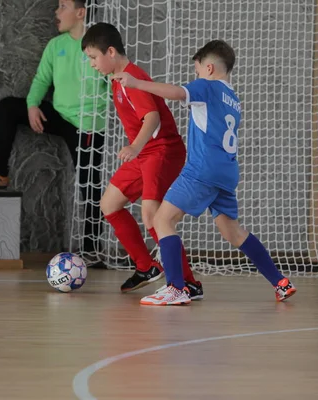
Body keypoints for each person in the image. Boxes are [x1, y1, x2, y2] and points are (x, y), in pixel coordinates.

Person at [113, 39, 296, 306]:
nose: (194, 77)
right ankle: (280, 282)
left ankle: (176, 288)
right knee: (232, 232)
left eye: (196, 71)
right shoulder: (233, 98)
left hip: (202, 170)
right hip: (227, 172)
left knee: (161, 220)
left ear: (208, 68)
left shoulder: (207, 87)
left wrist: (137, 83)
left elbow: (176, 93)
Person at [0, 0, 107, 255]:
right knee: (9, 106)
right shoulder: (56, 45)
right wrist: (32, 106)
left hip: (88, 126)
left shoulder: (100, 46)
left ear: (80, 12)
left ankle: (92, 250)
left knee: (90, 184)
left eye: (63, 6)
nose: (56, 12)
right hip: (60, 115)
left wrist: (95, 122)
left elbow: (113, 87)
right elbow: (42, 79)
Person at [81, 22, 202, 296]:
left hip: (161, 151)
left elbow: (153, 117)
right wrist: (138, 149)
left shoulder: (132, 78)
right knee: (109, 204)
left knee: (152, 215)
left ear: (110, 51)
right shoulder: (118, 80)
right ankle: (146, 266)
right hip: (145, 152)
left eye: (93, 57)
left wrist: (134, 147)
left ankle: (188, 283)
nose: (91, 64)